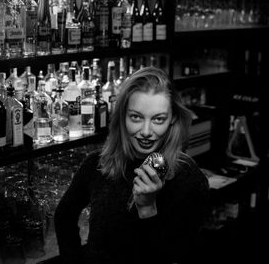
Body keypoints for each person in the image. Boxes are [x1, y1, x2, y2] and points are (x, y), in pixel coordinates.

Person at [54, 66, 210, 264]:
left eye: (158, 119)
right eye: (136, 117)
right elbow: (63, 216)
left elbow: (175, 257)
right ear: (122, 117)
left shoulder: (188, 179)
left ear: (173, 120)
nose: (146, 131)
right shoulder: (97, 164)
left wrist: (147, 209)